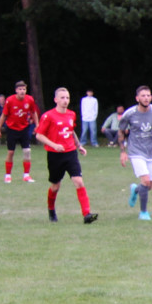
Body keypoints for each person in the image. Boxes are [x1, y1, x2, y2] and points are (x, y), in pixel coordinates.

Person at [33, 87, 98, 224]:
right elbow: (39, 135)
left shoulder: (71, 114)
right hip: (55, 155)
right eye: (62, 98)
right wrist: (54, 145)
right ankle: (51, 210)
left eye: (67, 98)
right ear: (56, 99)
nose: (65, 100)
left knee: (79, 181)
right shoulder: (48, 116)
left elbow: (71, 130)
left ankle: (86, 214)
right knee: (55, 186)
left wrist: (79, 145)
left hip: (70, 153)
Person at [118, 86, 152, 221]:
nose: (146, 98)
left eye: (148, 95)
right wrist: (123, 152)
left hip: (151, 150)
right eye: (143, 96)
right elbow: (121, 131)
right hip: (135, 151)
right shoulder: (129, 114)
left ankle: (135, 190)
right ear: (137, 98)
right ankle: (143, 213)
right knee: (145, 181)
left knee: (149, 186)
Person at [0, 80, 40, 183]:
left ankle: (26, 175)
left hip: (24, 128)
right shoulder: (10, 100)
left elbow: (34, 113)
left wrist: (37, 126)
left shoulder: (29, 99)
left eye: (24, 89)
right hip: (12, 129)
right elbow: (4, 115)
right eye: (20, 89)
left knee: (27, 152)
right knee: (11, 152)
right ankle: (8, 175)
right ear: (16, 90)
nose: (22, 91)